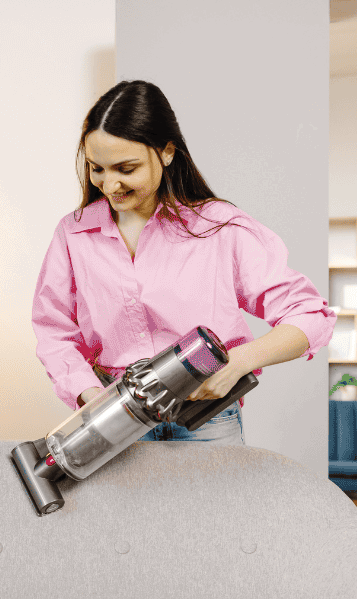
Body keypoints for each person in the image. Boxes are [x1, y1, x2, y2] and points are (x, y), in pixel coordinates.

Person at [32, 80, 336, 445]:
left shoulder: (218, 227)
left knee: (211, 506)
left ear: (167, 152)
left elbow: (309, 315)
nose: (109, 185)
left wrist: (236, 362)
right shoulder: (74, 233)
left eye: (125, 169)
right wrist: (91, 398)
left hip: (206, 420)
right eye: (97, 169)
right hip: (117, 417)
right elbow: (54, 330)